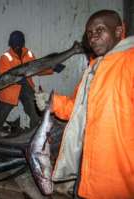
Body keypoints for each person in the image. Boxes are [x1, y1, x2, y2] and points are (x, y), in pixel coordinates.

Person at [35, 10, 134, 198]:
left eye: (100, 30)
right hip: (88, 167)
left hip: (120, 175)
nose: (93, 38)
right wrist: (52, 101)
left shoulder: (130, 61)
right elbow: (77, 108)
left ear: (119, 31)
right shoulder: (94, 68)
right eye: (89, 33)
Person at [0, 30, 56, 136]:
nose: (16, 46)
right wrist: (18, 78)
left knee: (32, 105)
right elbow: (5, 76)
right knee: (4, 107)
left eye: (19, 44)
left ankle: (35, 130)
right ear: (10, 44)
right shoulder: (5, 57)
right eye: (14, 44)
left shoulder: (29, 53)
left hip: (26, 84)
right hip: (10, 87)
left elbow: (38, 69)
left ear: (23, 43)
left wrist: (51, 69)